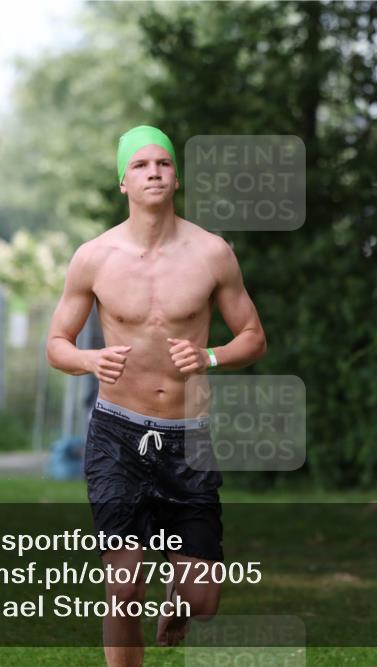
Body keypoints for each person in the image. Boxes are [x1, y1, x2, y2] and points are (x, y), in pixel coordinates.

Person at [46, 125, 267, 666]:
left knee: (204, 599)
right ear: (123, 180)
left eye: (163, 164)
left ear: (176, 176)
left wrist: (211, 357)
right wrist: (89, 360)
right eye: (141, 165)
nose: (153, 172)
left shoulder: (212, 253)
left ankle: (180, 599)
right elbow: (56, 344)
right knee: (122, 588)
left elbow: (254, 337)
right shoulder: (94, 257)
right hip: (118, 433)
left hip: (187, 437)